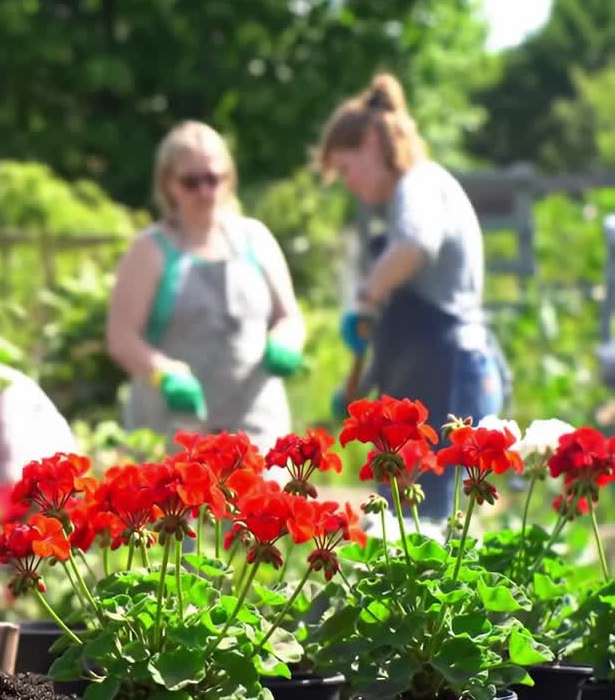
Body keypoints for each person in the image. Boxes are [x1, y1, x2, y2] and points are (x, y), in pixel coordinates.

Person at [318, 72, 509, 519]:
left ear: (369, 142)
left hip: (450, 370)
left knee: (427, 524)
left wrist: (367, 296)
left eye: (346, 168)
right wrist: (362, 389)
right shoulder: (421, 188)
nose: (349, 184)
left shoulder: (417, 184)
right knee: (415, 522)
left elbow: (415, 245)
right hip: (441, 368)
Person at [106, 120, 306, 455]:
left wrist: (286, 342)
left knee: (261, 508)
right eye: (191, 181)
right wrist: (162, 373)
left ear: (228, 178)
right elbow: (121, 338)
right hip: (176, 428)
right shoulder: (150, 250)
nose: (204, 191)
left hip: (254, 424)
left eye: (213, 179)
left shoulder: (255, 239)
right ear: (168, 185)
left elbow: (290, 317)